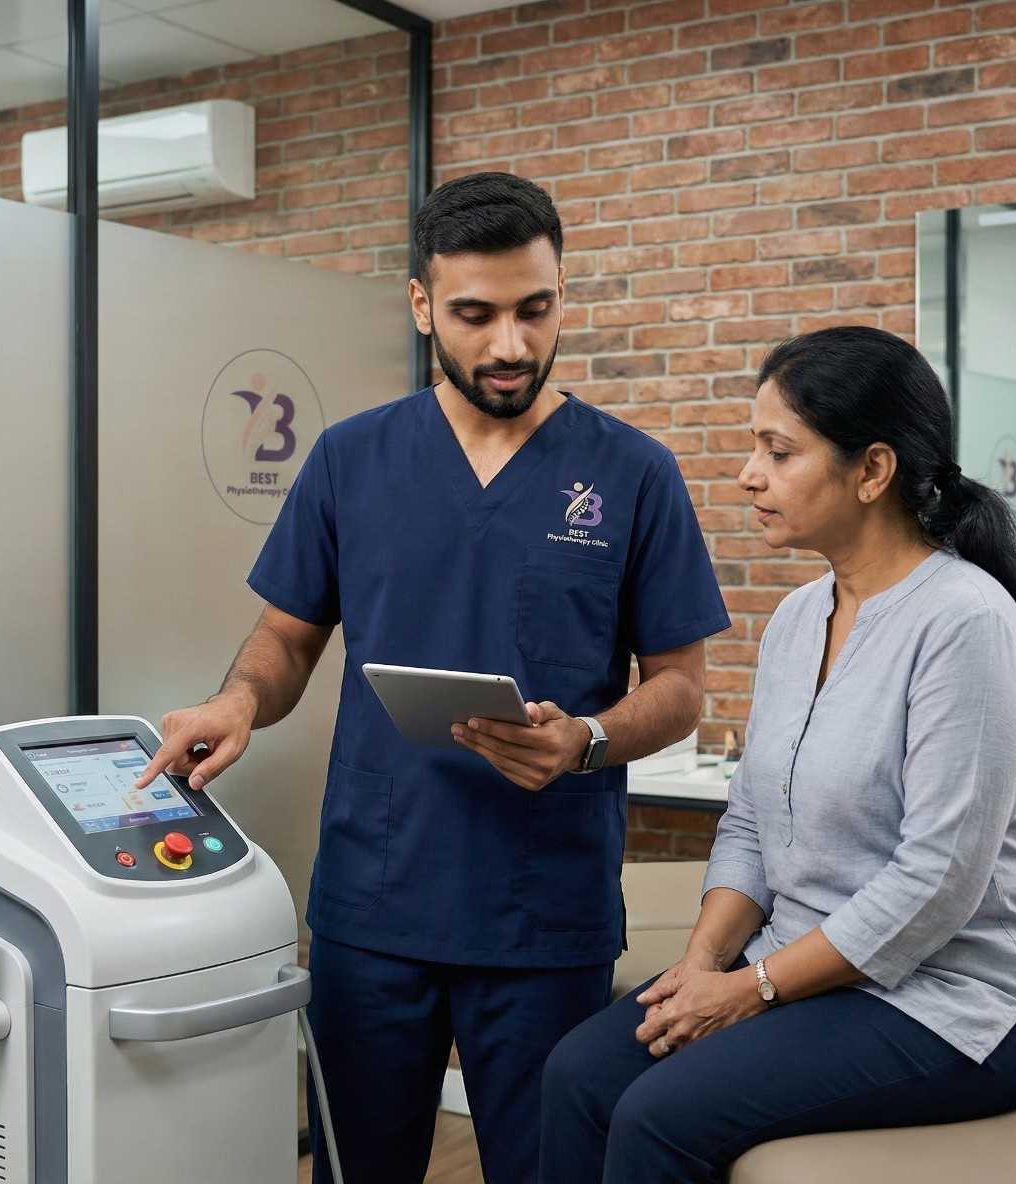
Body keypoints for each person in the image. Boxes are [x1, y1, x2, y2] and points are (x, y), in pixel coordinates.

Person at [135, 171, 730, 1183]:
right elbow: (286, 636)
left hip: (544, 914)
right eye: (475, 313)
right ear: (421, 307)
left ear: (558, 294)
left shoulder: (631, 473)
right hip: (376, 905)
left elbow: (678, 685)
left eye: (533, 308)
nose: (509, 343)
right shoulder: (348, 459)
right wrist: (238, 699)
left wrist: (583, 738)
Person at [540, 325, 1016, 1184]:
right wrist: (703, 964)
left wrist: (748, 992)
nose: (749, 473)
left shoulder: (967, 627)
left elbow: (936, 879)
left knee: (658, 1117)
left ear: (872, 471)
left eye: (778, 451)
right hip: (804, 969)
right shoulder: (797, 621)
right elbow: (751, 818)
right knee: (578, 1074)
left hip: (958, 1004)